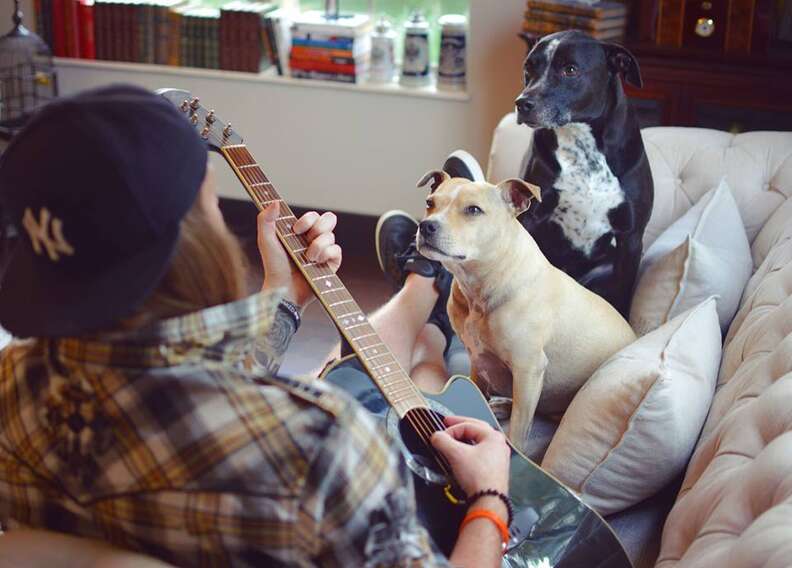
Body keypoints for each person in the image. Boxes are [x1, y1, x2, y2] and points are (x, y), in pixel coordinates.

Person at [0, 85, 512, 567]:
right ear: (197, 244)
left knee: (392, 370)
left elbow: (182, 392)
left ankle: (422, 297)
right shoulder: (321, 442)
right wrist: (490, 499)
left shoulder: (11, 383)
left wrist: (286, 296)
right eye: (213, 208)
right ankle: (427, 294)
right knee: (389, 380)